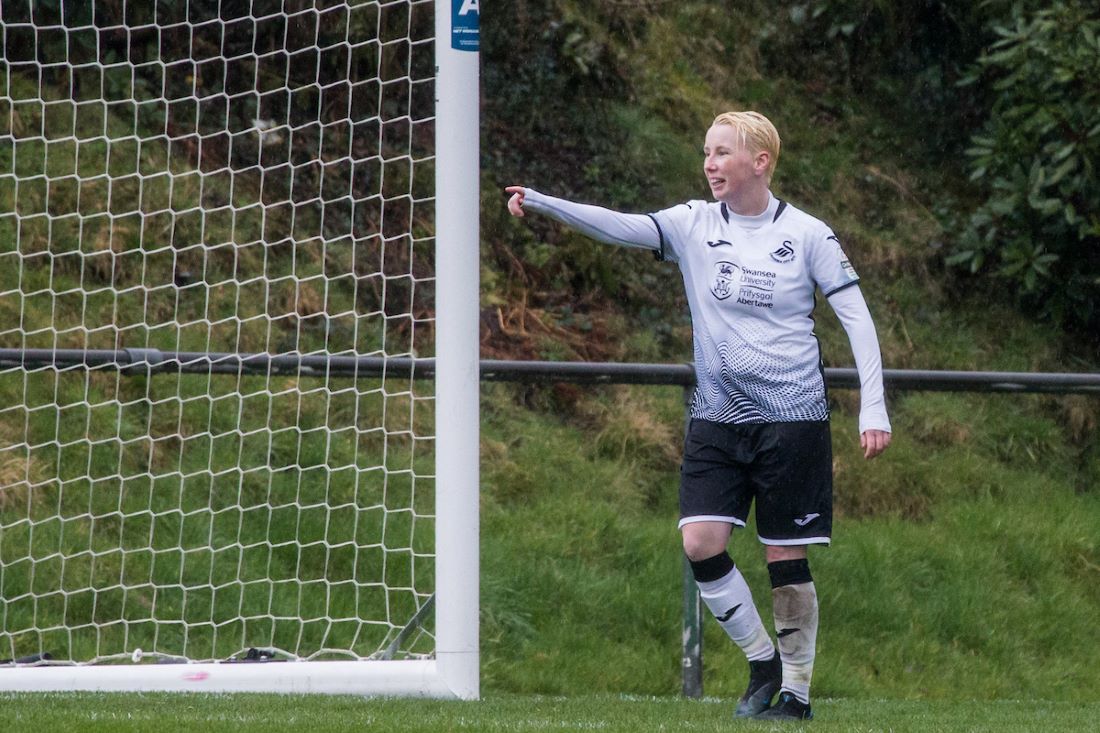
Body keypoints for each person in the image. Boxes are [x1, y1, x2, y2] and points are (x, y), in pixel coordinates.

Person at [505, 110, 891, 721]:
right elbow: (623, 228)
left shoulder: (810, 235)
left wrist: (874, 406)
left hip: (793, 419)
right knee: (699, 542)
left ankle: (795, 692)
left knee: (785, 558)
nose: (709, 164)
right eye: (706, 153)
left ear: (759, 162)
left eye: (721, 153)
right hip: (717, 416)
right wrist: (546, 201)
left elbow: (858, 320)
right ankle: (762, 662)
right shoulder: (692, 224)